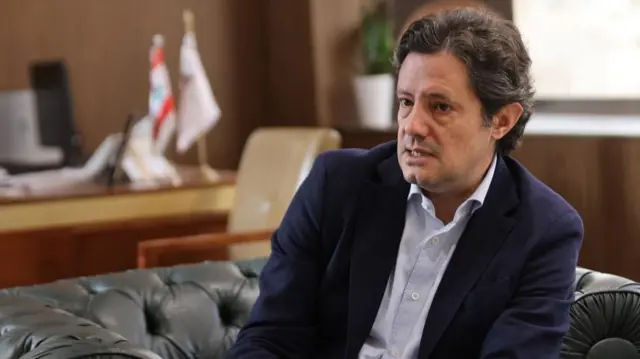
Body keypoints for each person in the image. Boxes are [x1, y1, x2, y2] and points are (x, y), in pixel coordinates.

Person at [226, 6, 583, 359]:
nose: (411, 125)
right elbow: (270, 337)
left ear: (502, 120)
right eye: (406, 103)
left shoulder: (544, 230)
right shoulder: (336, 185)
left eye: (440, 107)